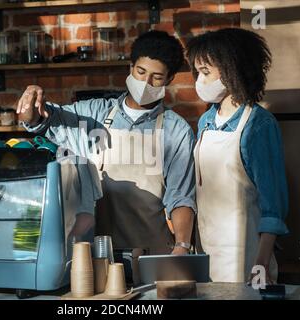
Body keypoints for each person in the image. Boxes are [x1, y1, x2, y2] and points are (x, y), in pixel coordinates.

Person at [16, 30, 196, 255]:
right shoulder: (93, 115)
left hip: (153, 253)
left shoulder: (175, 130)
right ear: (130, 68)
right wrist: (31, 105)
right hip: (98, 254)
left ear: (169, 79)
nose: (146, 82)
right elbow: (46, 119)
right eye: (140, 72)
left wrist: (182, 246)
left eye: (156, 77)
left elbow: (181, 196)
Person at [186, 28, 289, 283]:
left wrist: (262, 263)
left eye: (206, 73)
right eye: (198, 72)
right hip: (207, 253)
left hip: (247, 260)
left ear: (232, 69)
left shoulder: (259, 125)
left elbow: (273, 206)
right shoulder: (206, 121)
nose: (199, 80)